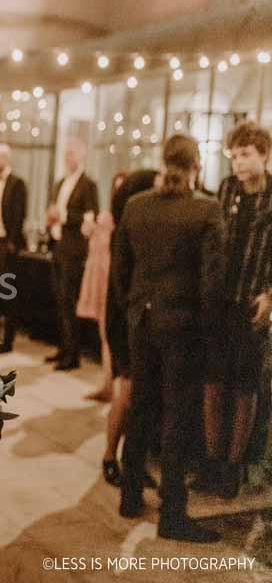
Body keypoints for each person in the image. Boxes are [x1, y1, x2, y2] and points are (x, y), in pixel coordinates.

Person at [114, 134, 225, 543]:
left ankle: (129, 497)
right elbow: (211, 285)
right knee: (177, 417)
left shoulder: (136, 206)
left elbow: (120, 272)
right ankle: (173, 514)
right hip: (182, 326)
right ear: (196, 165)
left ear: (163, 161)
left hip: (140, 321)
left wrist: (134, 306)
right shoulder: (206, 211)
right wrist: (210, 334)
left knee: (142, 405)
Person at [196, 121, 272, 498]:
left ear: (264, 154)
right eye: (234, 156)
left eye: (245, 155)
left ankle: (232, 466)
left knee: (244, 388)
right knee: (212, 383)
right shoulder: (226, 190)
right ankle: (211, 462)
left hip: (252, 305)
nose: (238, 163)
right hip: (219, 303)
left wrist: (270, 295)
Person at [99, 169, 159, 487]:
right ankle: (110, 456)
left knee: (136, 392)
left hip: (129, 316)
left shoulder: (135, 225)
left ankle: (131, 459)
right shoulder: (127, 230)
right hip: (124, 319)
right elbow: (123, 287)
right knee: (128, 389)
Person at [46, 138, 99, 370]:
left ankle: (73, 354)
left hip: (74, 249)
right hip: (57, 245)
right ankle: (63, 347)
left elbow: (90, 218)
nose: (69, 157)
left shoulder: (89, 185)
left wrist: (64, 215)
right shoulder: (59, 183)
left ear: (82, 156)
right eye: (66, 153)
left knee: (70, 300)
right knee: (59, 299)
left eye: (73, 153)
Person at [78, 172, 124, 402]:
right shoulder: (105, 217)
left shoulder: (123, 220)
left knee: (112, 335)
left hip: (114, 283)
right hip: (100, 282)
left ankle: (114, 388)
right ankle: (107, 384)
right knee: (104, 333)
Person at [0, 144, 27, 352]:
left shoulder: (18, 184)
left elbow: (19, 216)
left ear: (5, 159)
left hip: (5, 244)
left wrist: (12, 242)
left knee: (8, 292)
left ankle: (7, 341)